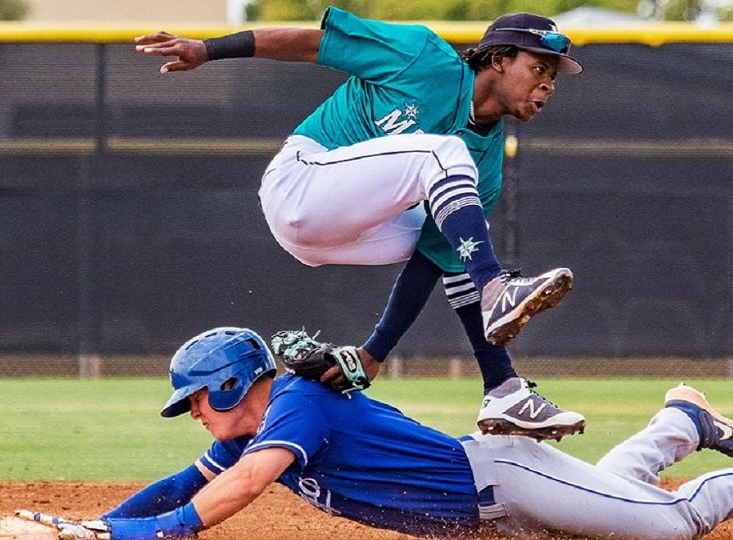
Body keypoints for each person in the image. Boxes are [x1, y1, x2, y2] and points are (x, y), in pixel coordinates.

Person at [133, 8, 586, 439]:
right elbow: (314, 44)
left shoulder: (483, 168)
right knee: (445, 154)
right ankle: (495, 289)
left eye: (552, 75)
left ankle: (501, 388)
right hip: (301, 182)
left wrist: (374, 353)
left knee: (463, 238)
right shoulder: (424, 55)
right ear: (501, 59)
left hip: (346, 230)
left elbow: (430, 260)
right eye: (539, 67)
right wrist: (209, 49)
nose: (547, 85)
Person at [19, 327, 733, 540]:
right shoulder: (254, 424)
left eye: (196, 403)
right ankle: (682, 421)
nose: (196, 419)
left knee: (669, 526)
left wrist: (150, 538)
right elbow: (184, 486)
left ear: (225, 388)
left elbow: (234, 495)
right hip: (492, 505)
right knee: (614, 500)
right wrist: (108, 526)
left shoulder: (292, 405)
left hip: (499, 481)